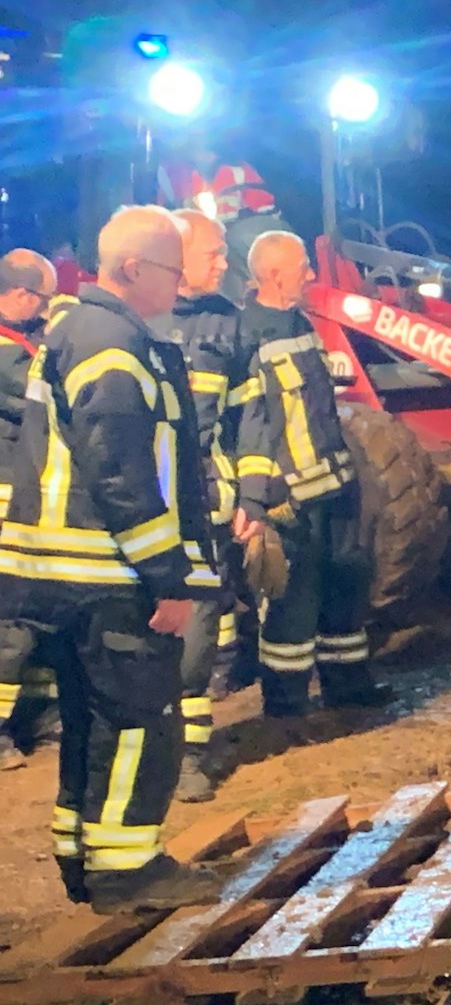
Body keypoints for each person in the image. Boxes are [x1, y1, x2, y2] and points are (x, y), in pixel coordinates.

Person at [0, 206, 225, 913]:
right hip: (108, 573)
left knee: (92, 722)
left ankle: (85, 858)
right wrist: (168, 575)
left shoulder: (83, 331)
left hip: (69, 572)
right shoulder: (113, 342)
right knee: (140, 721)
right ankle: (129, 870)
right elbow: (123, 470)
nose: (182, 285)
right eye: (172, 269)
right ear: (132, 269)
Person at [235, 231, 385, 720]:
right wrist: (258, 498)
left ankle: (349, 686)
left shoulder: (297, 322)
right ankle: (286, 705)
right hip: (290, 496)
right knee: (292, 599)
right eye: (303, 266)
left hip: (335, 485)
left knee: (346, 585)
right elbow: (252, 424)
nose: (312, 275)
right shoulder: (249, 334)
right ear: (274, 273)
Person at [155, 210, 256, 801]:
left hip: (202, 509)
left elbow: (248, 422)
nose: (224, 263)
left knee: (198, 633)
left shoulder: (228, 326)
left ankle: (189, 751)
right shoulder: (128, 322)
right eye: (213, 253)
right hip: (134, 511)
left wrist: (254, 496)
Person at [0, 249, 62, 768]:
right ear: (20, 295)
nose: (47, 312)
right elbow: (43, 396)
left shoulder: (21, 339)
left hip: (24, 499)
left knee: (36, 611)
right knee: (11, 615)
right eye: (44, 301)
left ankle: (35, 713)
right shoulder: (6, 351)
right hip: (6, 502)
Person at [158, 141, 290, 303]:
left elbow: (264, 206)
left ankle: (262, 296)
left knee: (235, 243)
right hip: (215, 233)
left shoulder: (237, 170)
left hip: (250, 227)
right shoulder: (176, 173)